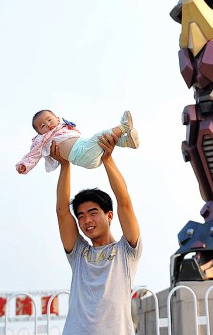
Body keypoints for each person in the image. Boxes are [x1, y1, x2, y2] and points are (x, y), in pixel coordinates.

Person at [54, 132, 142, 335]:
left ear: (109, 215)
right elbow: (62, 212)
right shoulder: (78, 254)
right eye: (81, 216)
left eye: (93, 213)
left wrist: (107, 160)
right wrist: (65, 165)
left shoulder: (126, 251)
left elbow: (125, 202)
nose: (87, 220)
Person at [15, 109, 138, 174]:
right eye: (42, 126)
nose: (48, 125)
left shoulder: (64, 126)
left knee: (102, 142)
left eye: (49, 120)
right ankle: (124, 127)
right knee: (99, 137)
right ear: (39, 133)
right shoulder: (42, 140)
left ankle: (126, 141)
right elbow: (33, 154)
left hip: (86, 150)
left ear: (57, 119)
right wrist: (24, 165)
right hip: (80, 155)